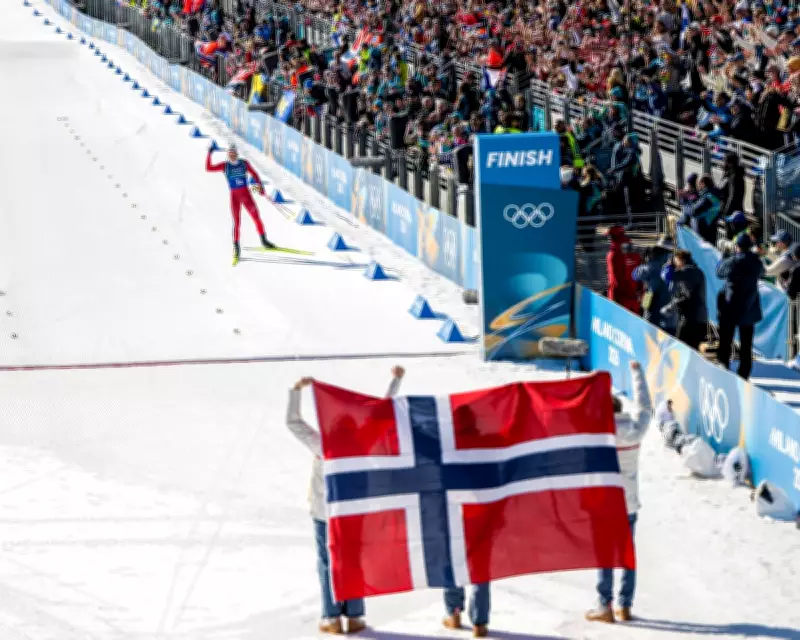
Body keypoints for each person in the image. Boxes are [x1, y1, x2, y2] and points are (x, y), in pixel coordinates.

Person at [286, 367, 405, 635]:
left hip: (324, 512)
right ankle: (354, 615)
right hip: (353, 512)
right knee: (353, 561)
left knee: (327, 562)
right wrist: (396, 380)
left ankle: (331, 617)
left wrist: (295, 391)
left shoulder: (322, 445)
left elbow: (293, 423)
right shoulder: (361, 443)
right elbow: (381, 413)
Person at [586, 361, 652, 624]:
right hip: (629, 504)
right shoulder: (636, 430)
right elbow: (645, 405)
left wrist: (587, 388)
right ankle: (624, 605)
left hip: (604, 504)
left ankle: (604, 605)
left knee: (604, 554)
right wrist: (637, 372)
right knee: (626, 553)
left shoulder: (598, 435)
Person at [206, 143, 274, 265]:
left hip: (247, 196)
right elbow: (209, 168)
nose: (232, 155)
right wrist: (209, 153)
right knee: (237, 223)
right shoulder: (225, 166)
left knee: (257, 218)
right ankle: (236, 247)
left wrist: (260, 187)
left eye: (233, 153)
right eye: (230, 153)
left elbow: (255, 174)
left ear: (237, 153)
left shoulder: (244, 163)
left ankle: (264, 241)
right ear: (228, 154)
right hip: (235, 198)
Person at [716, 233, 764, 380]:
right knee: (746, 344)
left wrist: (724, 256)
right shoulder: (756, 262)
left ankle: (723, 366)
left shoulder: (732, 261)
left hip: (730, 307)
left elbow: (719, 272)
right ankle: (744, 373)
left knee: (726, 340)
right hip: (749, 308)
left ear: (737, 246)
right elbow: (762, 273)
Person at [661, 250, 708, 350]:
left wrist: (669, 265)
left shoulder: (688, 271)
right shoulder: (695, 271)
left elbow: (667, 276)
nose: (675, 264)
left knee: (681, 348)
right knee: (689, 350)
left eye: (676, 261)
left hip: (692, 319)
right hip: (697, 318)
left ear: (681, 260)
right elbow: (684, 295)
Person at [632, 237, 676, 334]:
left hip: (651, 302)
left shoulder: (653, 265)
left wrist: (647, 261)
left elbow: (635, 274)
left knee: (649, 334)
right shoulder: (676, 262)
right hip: (670, 306)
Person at [606, 226, 641, 314]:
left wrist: (612, 297)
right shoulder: (636, 254)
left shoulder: (613, 255)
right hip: (634, 298)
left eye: (610, 237)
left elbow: (615, 280)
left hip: (619, 299)